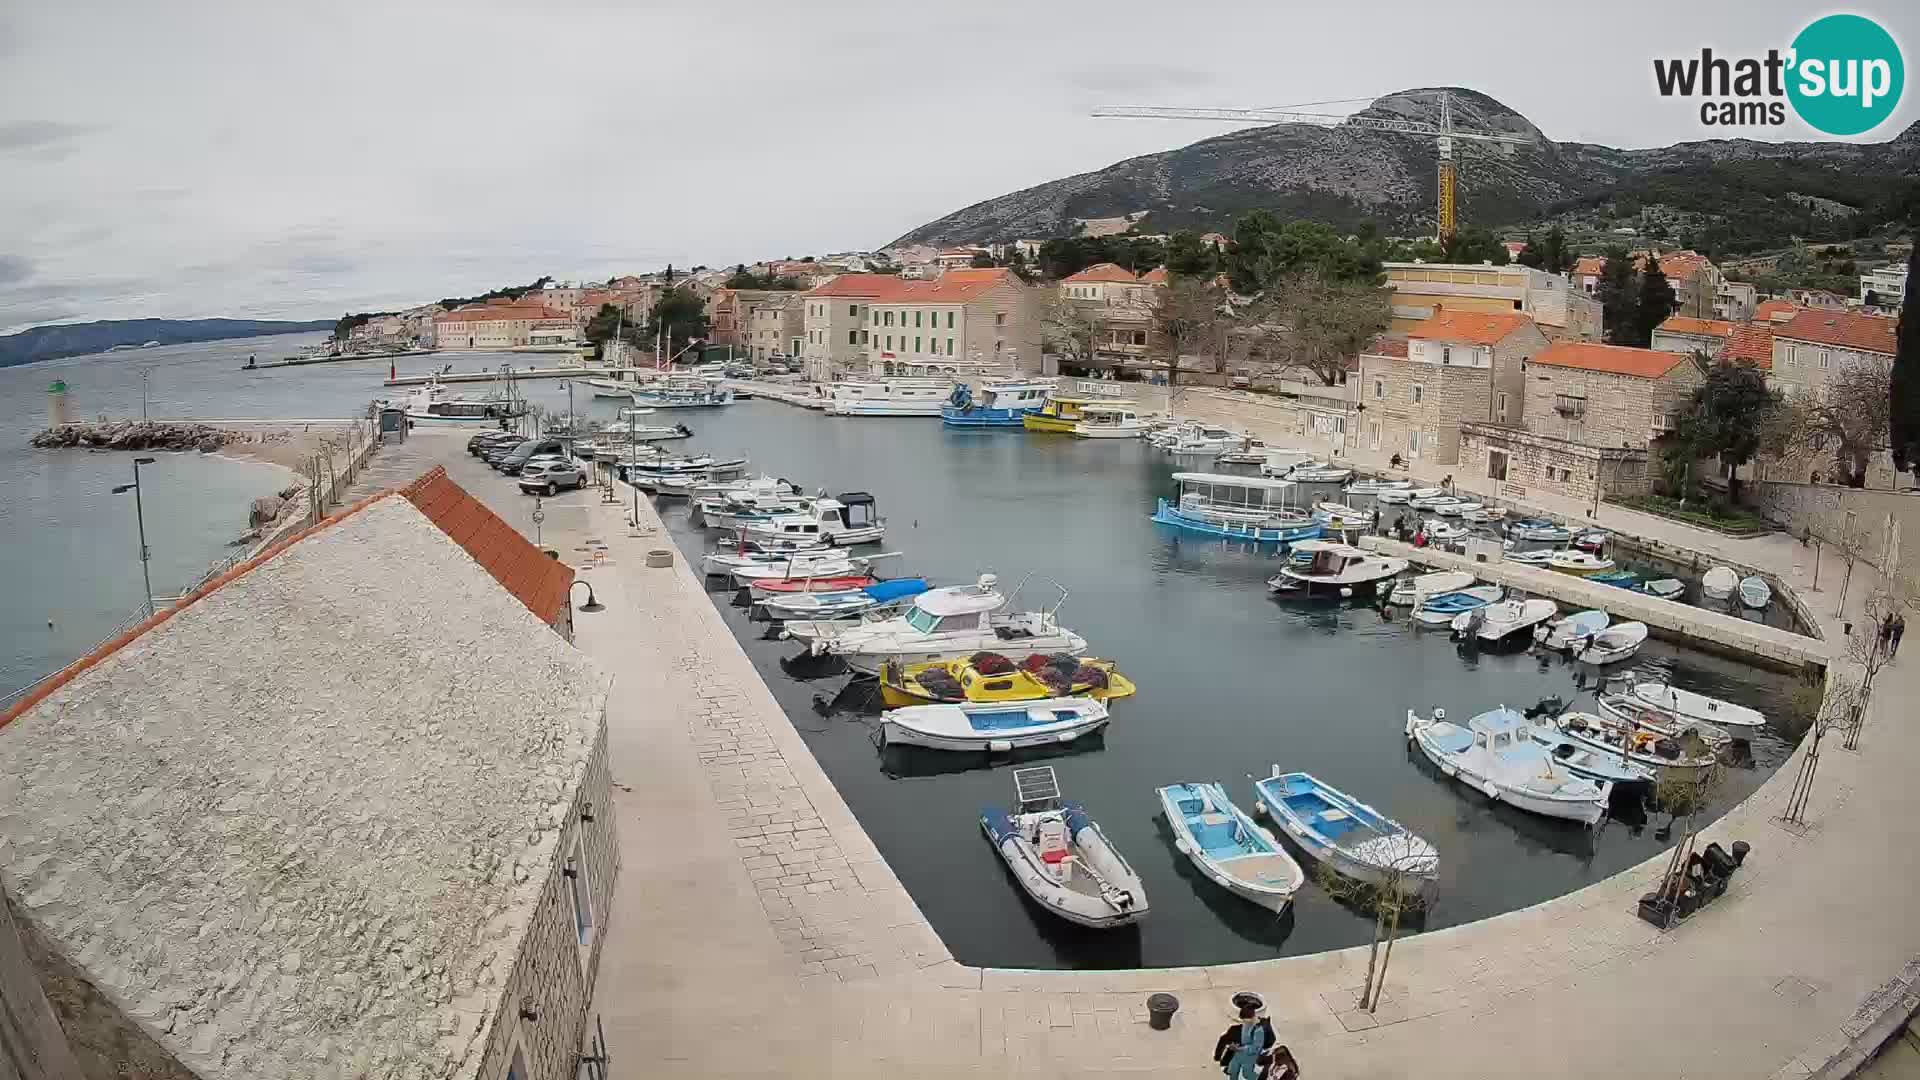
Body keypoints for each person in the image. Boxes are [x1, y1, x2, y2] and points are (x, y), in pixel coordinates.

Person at [1214, 996, 1274, 1079]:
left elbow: (1255, 1048)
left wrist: (1239, 1049)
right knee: (1233, 1070)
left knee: (1247, 1074)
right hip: (1239, 1053)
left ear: (1252, 1017)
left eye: (1245, 1020)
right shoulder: (1245, 1024)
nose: (1244, 1022)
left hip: (1250, 1056)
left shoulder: (1259, 1030)